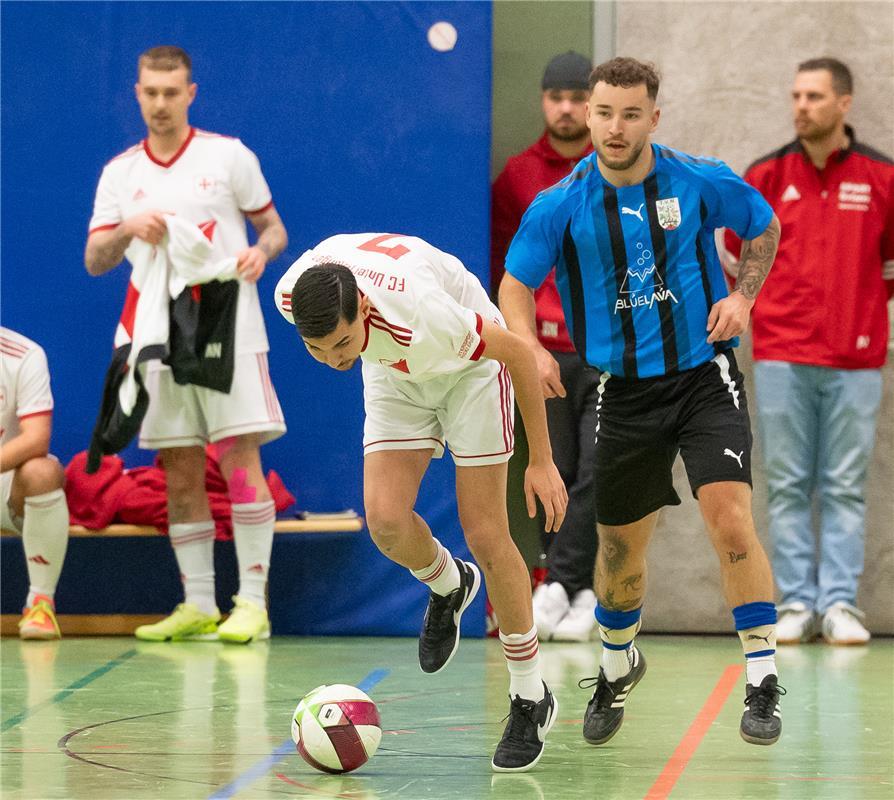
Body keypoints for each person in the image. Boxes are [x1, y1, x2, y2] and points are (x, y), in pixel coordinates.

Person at [499, 57, 786, 747]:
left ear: (653, 117)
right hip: (620, 393)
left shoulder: (696, 179)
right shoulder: (561, 203)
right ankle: (616, 661)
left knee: (730, 521)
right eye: (604, 113)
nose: (615, 127)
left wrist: (742, 296)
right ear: (588, 116)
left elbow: (762, 225)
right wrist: (531, 349)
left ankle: (762, 678)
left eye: (631, 114)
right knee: (620, 556)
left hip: (701, 379)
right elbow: (514, 283)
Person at [273, 233, 568, 772]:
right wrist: (352, 349)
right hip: (393, 371)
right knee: (385, 521)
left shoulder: (427, 316)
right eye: (316, 349)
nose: (332, 361)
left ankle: (530, 695)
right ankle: (449, 583)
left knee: (485, 533)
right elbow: (342, 342)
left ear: (362, 306)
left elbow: (518, 355)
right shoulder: (292, 293)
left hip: (470, 373)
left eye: (340, 344)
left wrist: (542, 460)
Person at [84, 46, 288, 644]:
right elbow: (96, 259)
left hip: (227, 323)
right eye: (150, 92)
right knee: (178, 468)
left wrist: (260, 252)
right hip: (156, 333)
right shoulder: (121, 173)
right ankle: (197, 603)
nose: (160, 104)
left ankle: (252, 602)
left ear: (190, 93)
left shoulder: (229, 156)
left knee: (238, 458)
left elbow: (273, 227)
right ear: (136, 91)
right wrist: (126, 228)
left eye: (171, 92)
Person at [724, 58, 894, 646]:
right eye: (796, 95)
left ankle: (841, 604)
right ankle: (795, 600)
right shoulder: (766, 175)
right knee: (790, 482)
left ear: (844, 103)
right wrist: (760, 306)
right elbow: (733, 251)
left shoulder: (882, 176)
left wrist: (863, 314)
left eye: (815, 96)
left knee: (845, 484)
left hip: (857, 360)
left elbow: (890, 265)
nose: (801, 106)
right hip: (781, 354)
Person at [491, 51, 600, 642]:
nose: (565, 107)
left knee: (598, 472)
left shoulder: (612, 169)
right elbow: (506, 271)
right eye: (555, 96)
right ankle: (576, 593)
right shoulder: (517, 175)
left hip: (606, 351)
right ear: (542, 101)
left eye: (576, 97)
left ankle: (559, 584)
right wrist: (521, 343)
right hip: (540, 351)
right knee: (550, 469)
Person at [1, 327, 71, 639]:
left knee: (43, 473)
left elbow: (36, 438)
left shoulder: (23, 354)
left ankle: (40, 603)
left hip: (4, 484)